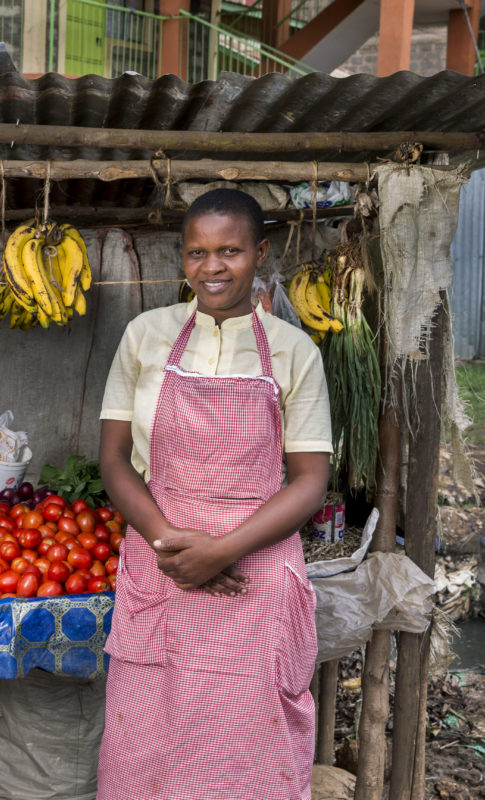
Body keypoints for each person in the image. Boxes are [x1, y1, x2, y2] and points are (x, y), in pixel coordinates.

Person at [96, 188, 332, 800]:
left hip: (253, 567)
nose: (213, 267)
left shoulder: (293, 350)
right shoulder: (145, 336)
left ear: (260, 252)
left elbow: (309, 481)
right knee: (146, 741)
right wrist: (171, 544)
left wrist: (222, 550)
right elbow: (115, 461)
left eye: (230, 250)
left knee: (244, 750)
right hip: (163, 562)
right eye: (197, 252)